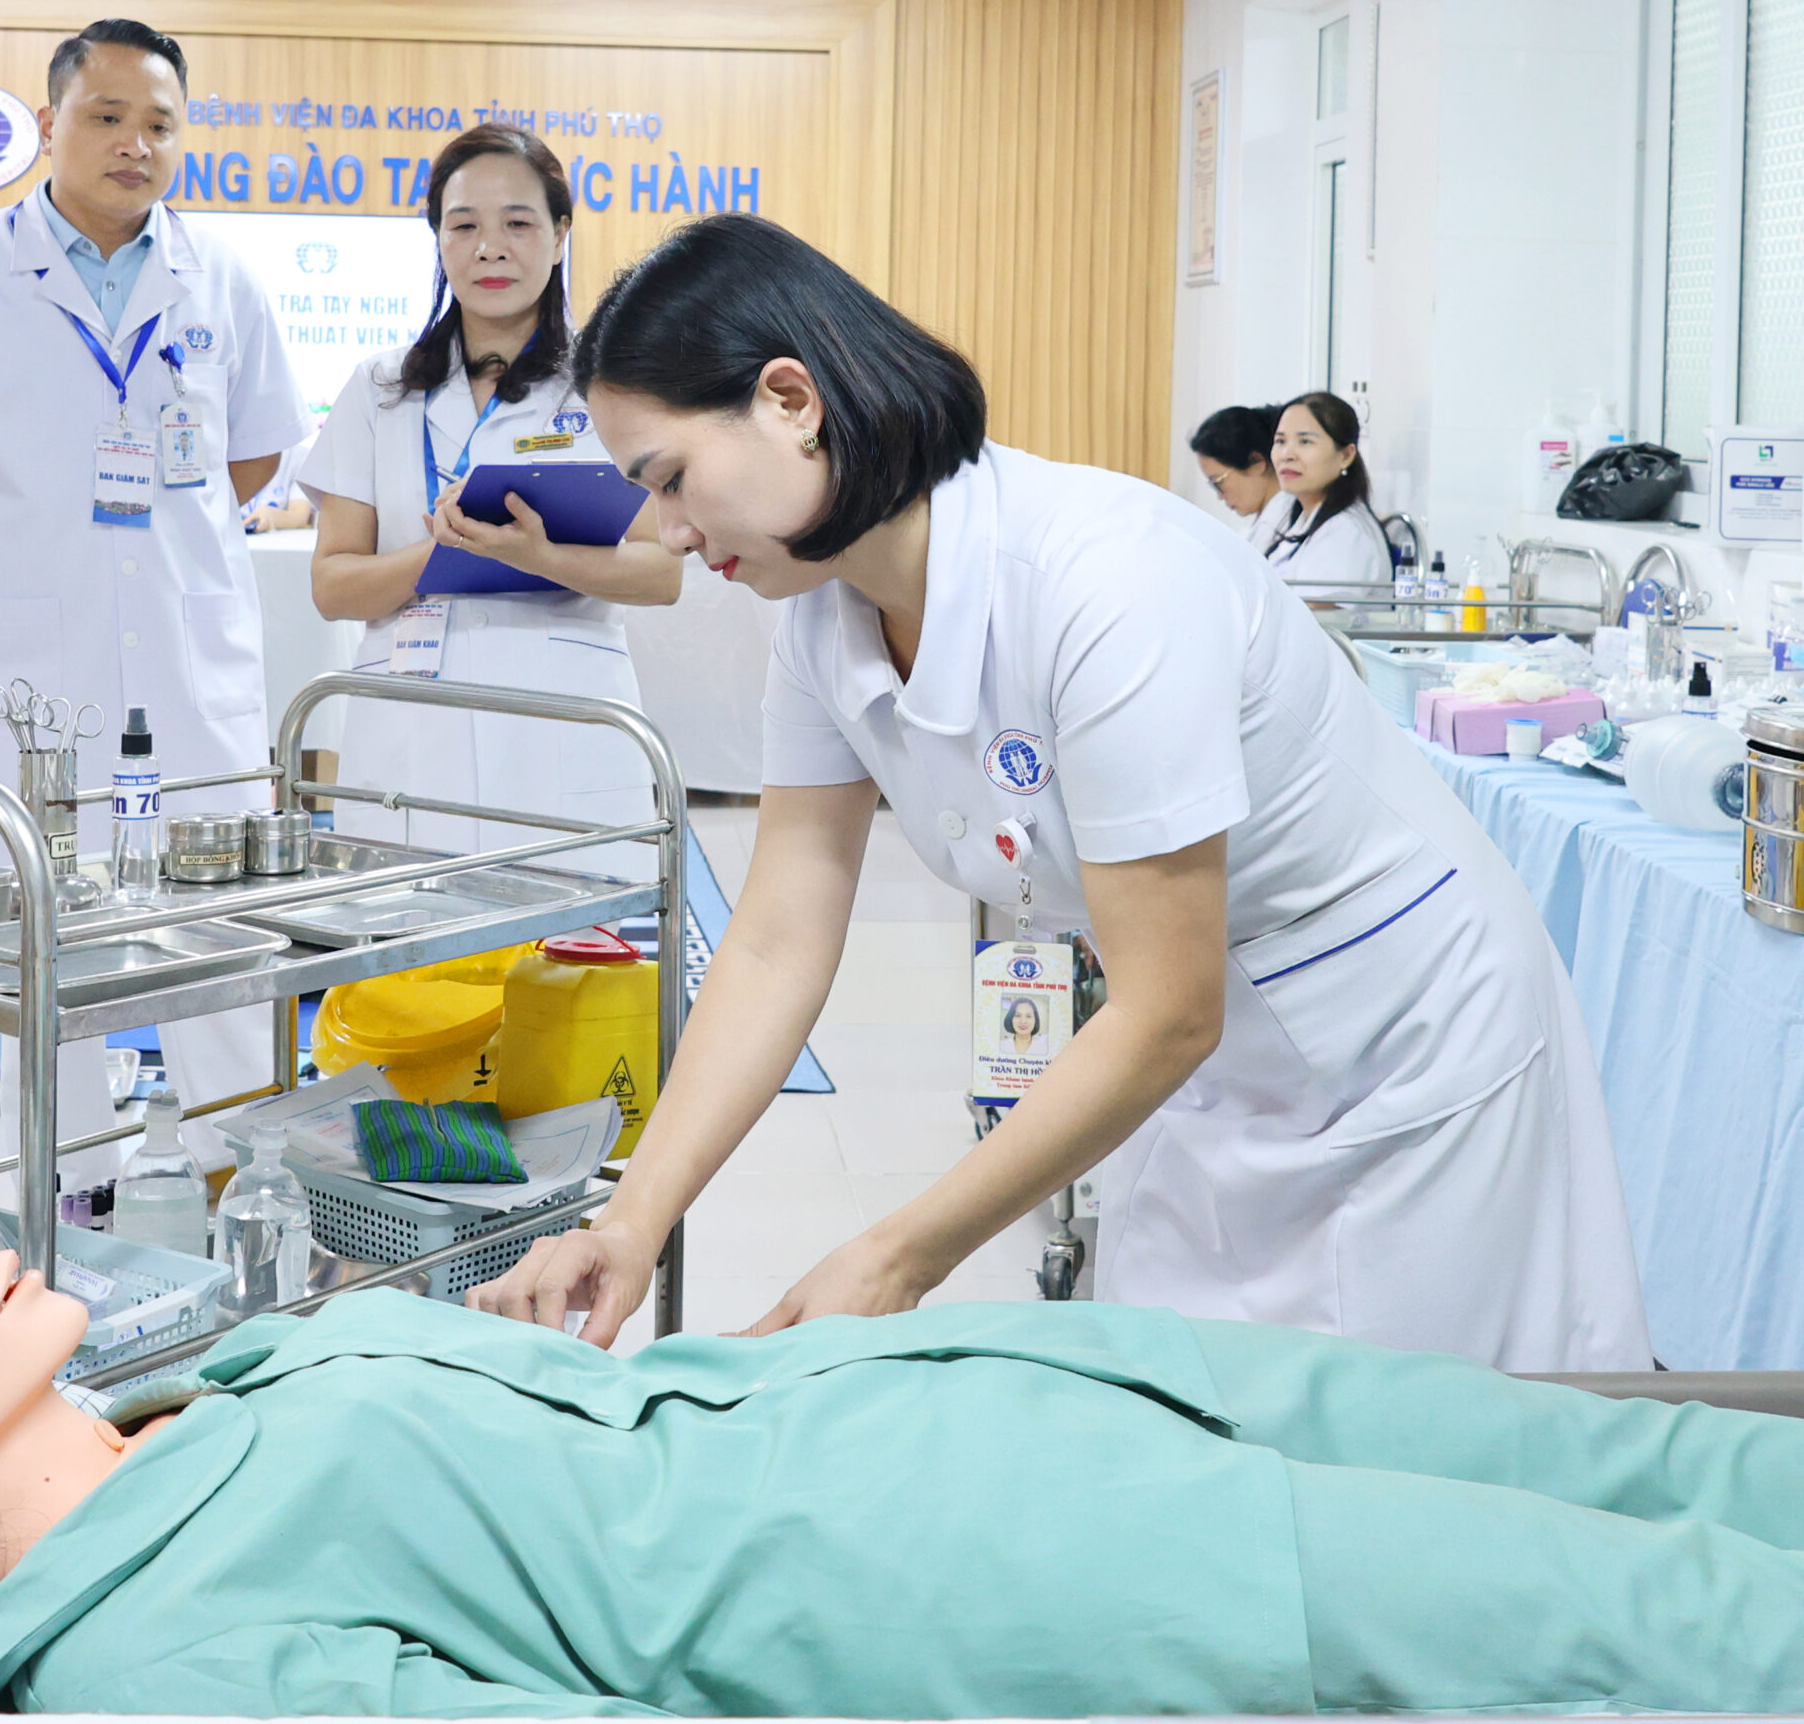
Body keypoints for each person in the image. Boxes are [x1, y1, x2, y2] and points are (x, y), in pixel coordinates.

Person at [476, 216, 1647, 1373]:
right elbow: (778, 940)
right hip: (1206, 1054)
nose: (670, 533)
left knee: (1402, 1438)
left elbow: (1168, 1007)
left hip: (1405, 1046)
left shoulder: (1107, 582)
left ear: (791, 400)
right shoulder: (822, 620)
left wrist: (894, 1257)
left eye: (671, 479)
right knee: (1197, 1402)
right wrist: (627, 1220)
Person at [0, 1173, 1804, 1718]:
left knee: (1708, 1479)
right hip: (1070, 1591)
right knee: (1723, 1632)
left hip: (1061, 1398)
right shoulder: (161, 1663)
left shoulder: (197, 1407)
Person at [0, 18, 312, 1111]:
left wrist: (148, 528)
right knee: (30, 933)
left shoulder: (222, 280)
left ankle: (235, 1170)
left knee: (221, 931)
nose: (135, 144)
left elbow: (252, 454)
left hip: (190, 659)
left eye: (160, 125)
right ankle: (59, 1178)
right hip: (25, 665)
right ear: (49, 125)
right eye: (107, 117)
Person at [300, 124, 678, 873]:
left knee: (566, 938)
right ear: (438, 239)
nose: (490, 248)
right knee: (410, 937)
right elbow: (333, 586)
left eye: (518, 224)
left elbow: (660, 572)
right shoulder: (380, 389)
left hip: (560, 726)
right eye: (464, 225)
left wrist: (541, 556)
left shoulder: (608, 388)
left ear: (560, 236)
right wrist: (442, 553)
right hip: (411, 727)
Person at [1259, 390, 1392, 596]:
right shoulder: (1294, 512)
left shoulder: (1347, 533)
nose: (1287, 455)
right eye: (1280, 441)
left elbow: (1315, 610)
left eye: (1305, 441)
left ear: (1346, 456)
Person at [1188, 401, 1284, 551]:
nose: (1220, 496)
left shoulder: (1289, 526)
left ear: (1256, 463)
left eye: (1218, 483)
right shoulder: (1261, 527)